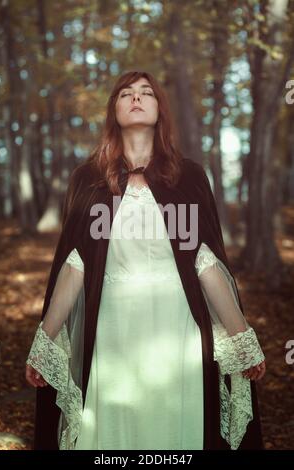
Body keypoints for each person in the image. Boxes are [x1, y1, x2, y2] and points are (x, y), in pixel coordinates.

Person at [25, 71, 266, 450]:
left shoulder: (188, 177)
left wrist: (240, 336)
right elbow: (75, 265)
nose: (136, 98)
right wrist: (46, 339)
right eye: (126, 94)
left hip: (178, 330)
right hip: (112, 328)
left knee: (176, 433)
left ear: (159, 110)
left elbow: (205, 263)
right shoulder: (88, 179)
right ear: (114, 111)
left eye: (146, 93)